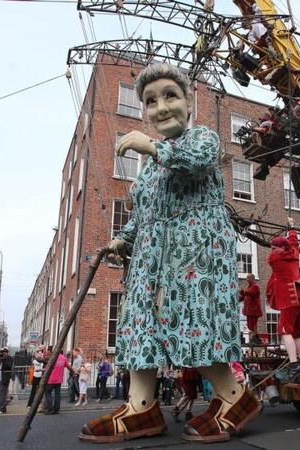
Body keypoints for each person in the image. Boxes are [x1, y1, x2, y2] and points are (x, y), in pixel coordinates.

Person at [80, 64, 258, 445]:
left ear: (189, 102)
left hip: (193, 259)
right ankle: (141, 406)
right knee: (139, 327)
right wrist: (122, 239)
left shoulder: (203, 139)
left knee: (194, 326)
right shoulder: (147, 172)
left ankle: (234, 397)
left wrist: (150, 146)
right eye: (150, 101)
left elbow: (193, 164)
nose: (160, 107)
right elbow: (143, 213)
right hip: (150, 263)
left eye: (170, 96)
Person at [267, 217, 300, 380]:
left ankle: (294, 364)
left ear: (280, 248)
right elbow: (294, 243)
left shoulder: (275, 259)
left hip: (290, 297)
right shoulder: (294, 253)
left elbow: (273, 255)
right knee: (296, 331)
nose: (271, 250)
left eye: (273, 247)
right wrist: (292, 228)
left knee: (283, 329)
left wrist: (289, 233)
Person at [239, 274, 263, 343]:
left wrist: (242, 291)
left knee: (252, 324)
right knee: (250, 325)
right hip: (249, 310)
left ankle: (255, 338)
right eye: (246, 278)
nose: (247, 280)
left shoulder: (256, 287)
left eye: (248, 278)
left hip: (253, 310)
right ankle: (255, 337)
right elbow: (243, 296)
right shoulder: (248, 287)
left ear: (252, 278)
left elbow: (250, 293)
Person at [45, 350, 70, 415]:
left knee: (48, 393)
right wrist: (73, 373)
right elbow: (68, 366)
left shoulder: (53, 357)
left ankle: (50, 409)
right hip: (59, 380)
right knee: (57, 394)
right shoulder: (64, 358)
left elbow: (47, 369)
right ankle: (56, 410)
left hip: (51, 379)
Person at [0, 347, 14, 414]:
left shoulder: (10, 358)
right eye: (2, 352)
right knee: (0, 393)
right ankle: (3, 408)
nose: (3, 353)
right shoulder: (0, 358)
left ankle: (1, 409)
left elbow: (9, 366)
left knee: (2, 393)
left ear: (7, 352)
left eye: (5, 352)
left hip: (5, 378)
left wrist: (4, 359)